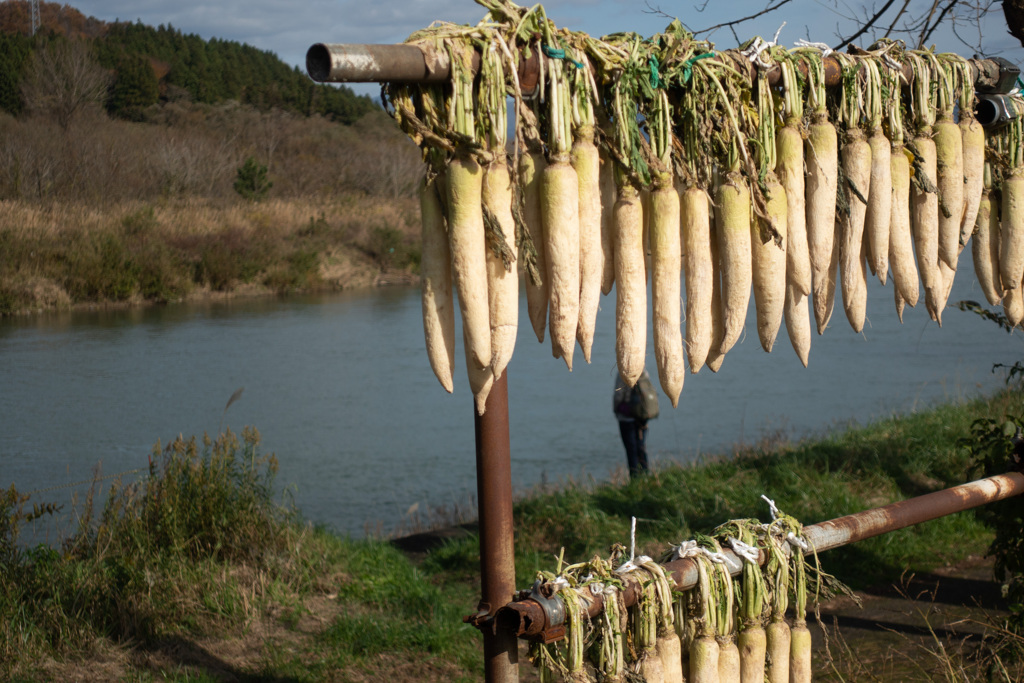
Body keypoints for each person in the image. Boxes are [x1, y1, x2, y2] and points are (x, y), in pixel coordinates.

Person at [612, 369, 653, 479]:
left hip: (626, 418)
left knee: (631, 449)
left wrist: (616, 410)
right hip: (642, 417)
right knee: (641, 446)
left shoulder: (622, 372)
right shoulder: (643, 372)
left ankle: (635, 478)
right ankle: (645, 475)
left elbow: (618, 395)